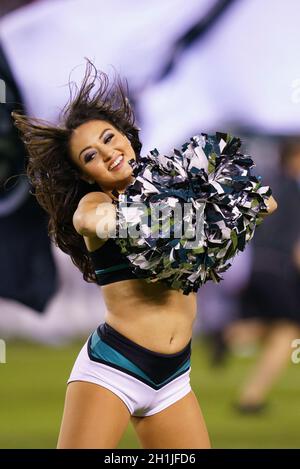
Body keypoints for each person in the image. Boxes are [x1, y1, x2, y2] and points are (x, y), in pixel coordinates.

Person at [12, 60, 277, 448]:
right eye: (89, 156)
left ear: (125, 136)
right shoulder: (97, 199)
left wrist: (210, 209)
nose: (106, 153)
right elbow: (93, 221)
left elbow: (265, 202)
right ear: (86, 174)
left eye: (108, 138)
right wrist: (165, 221)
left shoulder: (174, 183)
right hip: (115, 369)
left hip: (173, 376)